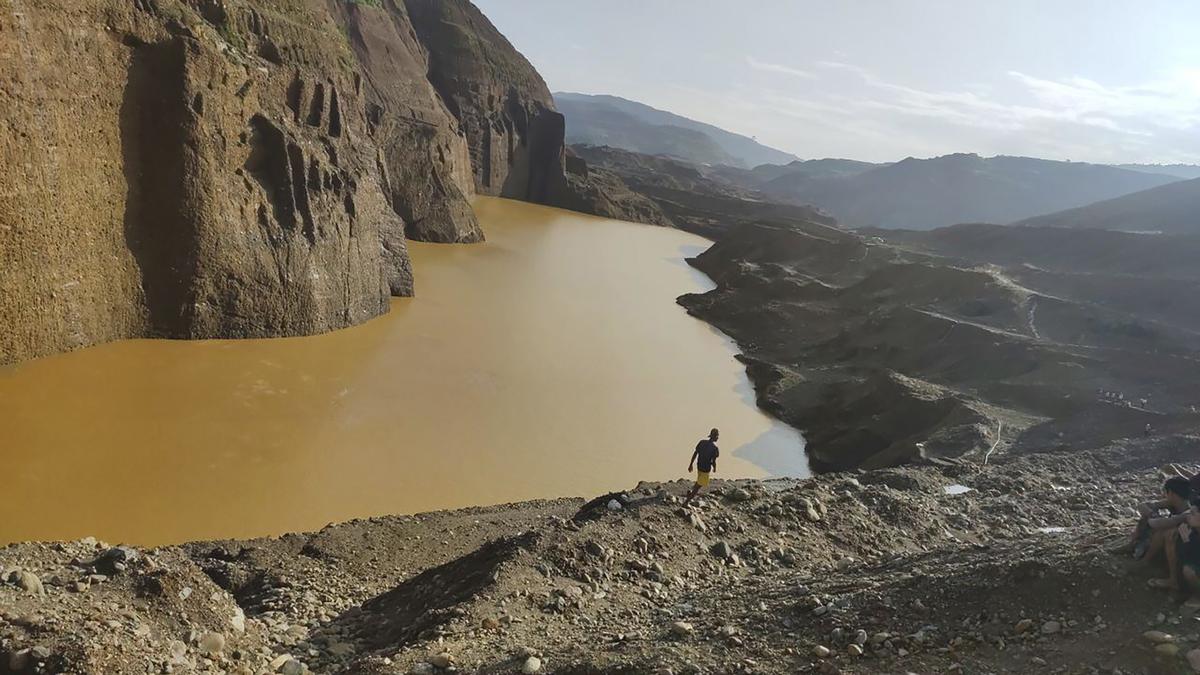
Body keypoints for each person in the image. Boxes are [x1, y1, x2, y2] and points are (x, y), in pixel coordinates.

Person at [1128, 477, 1192, 564]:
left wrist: (1152, 517)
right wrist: (1151, 514)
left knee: (1165, 531)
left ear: (1171, 493)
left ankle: (1145, 561)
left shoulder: (1188, 513)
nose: (1164, 496)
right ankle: (1131, 546)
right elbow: (1142, 506)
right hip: (1174, 545)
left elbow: (1159, 523)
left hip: (1187, 548)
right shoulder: (1174, 503)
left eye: (1165, 493)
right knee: (1146, 517)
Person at [683, 428, 720, 507]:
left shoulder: (702, 442)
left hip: (699, 466)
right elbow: (713, 461)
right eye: (717, 436)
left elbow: (695, 453)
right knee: (699, 486)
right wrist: (714, 468)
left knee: (699, 482)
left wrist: (691, 464)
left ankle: (690, 492)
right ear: (715, 436)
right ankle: (687, 501)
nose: (718, 438)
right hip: (706, 469)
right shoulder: (715, 448)